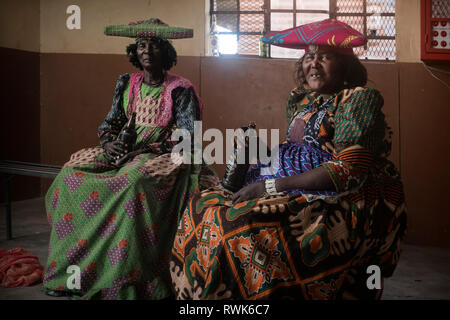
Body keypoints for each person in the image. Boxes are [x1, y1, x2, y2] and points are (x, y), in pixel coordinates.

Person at [170, 19, 407, 300]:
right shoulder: (302, 100)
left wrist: (270, 187)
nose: (314, 64)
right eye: (309, 56)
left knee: (236, 225)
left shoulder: (357, 100)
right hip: (288, 183)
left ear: (344, 65)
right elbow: (297, 152)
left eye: (325, 57)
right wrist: (254, 154)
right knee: (203, 205)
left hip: (337, 194)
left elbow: (347, 171)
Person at [43, 18, 218, 300]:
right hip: (124, 149)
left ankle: (122, 275)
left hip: (166, 154)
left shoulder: (181, 89)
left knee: (132, 181)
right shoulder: (126, 83)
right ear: (134, 52)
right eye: (141, 45)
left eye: (154, 45)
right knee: (71, 173)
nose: (147, 50)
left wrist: (142, 151)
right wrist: (110, 144)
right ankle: (72, 273)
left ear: (166, 52)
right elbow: (110, 123)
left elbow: (188, 138)